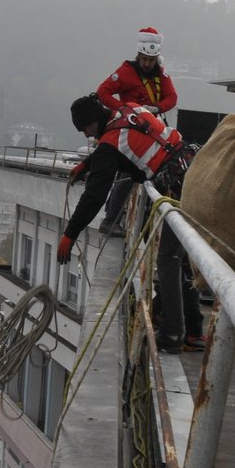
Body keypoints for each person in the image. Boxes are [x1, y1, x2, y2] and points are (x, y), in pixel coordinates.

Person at [59, 95, 198, 350]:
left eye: (85, 130)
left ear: (92, 122)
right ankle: (187, 328)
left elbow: (94, 196)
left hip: (177, 186)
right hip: (193, 165)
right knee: (179, 257)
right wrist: (87, 164)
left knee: (168, 259)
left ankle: (173, 335)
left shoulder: (109, 143)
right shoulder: (129, 109)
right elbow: (132, 137)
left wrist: (70, 233)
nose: (87, 136)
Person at [95, 27, 179, 234]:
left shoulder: (161, 75)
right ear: (138, 56)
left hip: (150, 132)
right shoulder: (126, 72)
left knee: (154, 171)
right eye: (143, 59)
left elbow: (171, 98)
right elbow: (102, 92)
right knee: (126, 173)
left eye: (150, 60)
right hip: (129, 131)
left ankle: (140, 224)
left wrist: (156, 108)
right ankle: (111, 220)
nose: (146, 64)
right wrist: (123, 111)